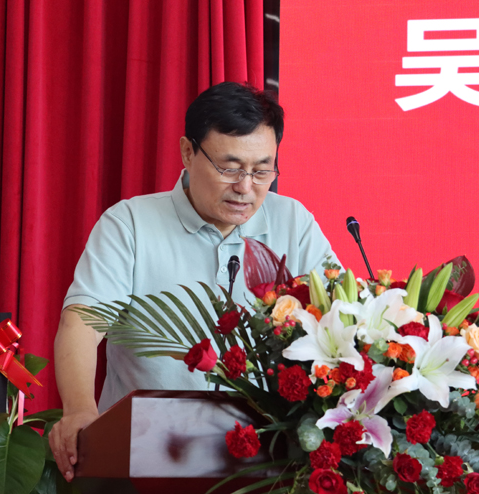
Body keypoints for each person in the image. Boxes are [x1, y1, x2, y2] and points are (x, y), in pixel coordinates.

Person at [48, 82, 338, 482]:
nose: (245, 187)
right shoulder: (129, 224)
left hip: (267, 458)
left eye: (261, 170)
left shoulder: (294, 222)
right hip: (145, 456)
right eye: (229, 168)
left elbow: (340, 320)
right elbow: (83, 322)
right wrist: (80, 410)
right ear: (188, 152)